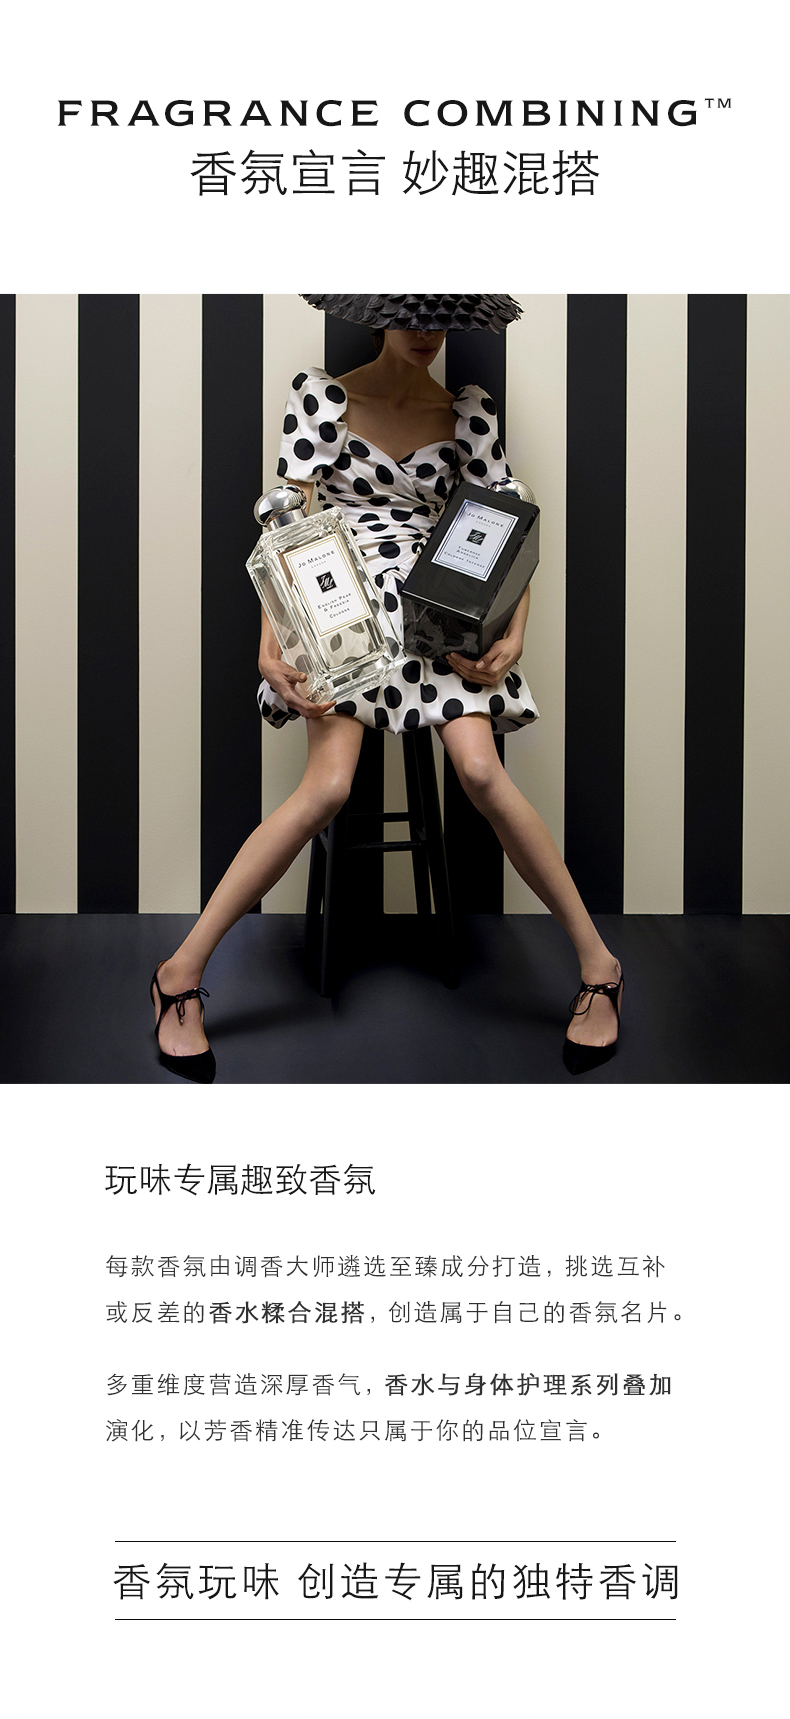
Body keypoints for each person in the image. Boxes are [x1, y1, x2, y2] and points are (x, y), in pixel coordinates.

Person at [150, 295, 623, 1082]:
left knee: (481, 772)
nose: (427, 334)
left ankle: (601, 967)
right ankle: (179, 973)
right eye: (412, 314)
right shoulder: (322, 398)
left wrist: (515, 630)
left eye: (440, 317)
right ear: (379, 312)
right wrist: (271, 643)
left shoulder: (469, 413)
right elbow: (284, 527)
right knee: (328, 788)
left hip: (438, 613)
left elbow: (508, 528)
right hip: (341, 611)